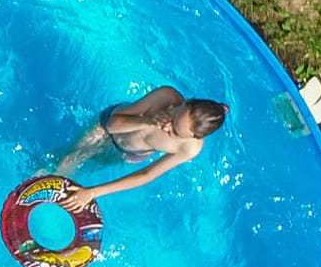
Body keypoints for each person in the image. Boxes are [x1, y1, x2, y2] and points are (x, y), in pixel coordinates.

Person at [55, 86, 228, 212]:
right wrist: (147, 120)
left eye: (175, 132)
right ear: (185, 103)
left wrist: (92, 192)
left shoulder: (190, 148)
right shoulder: (165, 97)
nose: (167, 126)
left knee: (94, 165)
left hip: (133, 152)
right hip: (108, 128)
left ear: (193, 137)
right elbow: (112, 125)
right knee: (71, 159)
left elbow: (147, 175)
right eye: (174, 115)